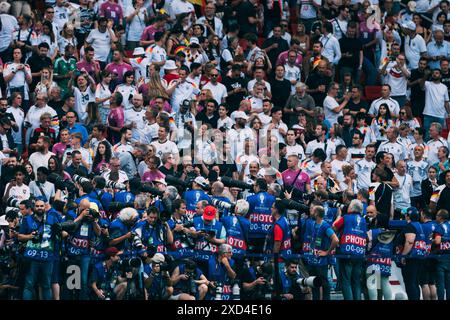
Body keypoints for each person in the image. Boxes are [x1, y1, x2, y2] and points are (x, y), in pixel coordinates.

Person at [332, 199, 367, 300]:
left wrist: (338, 216)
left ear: (351, 208)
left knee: (346, 281)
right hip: (360, 253)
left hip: (346, 253)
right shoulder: (364, 220)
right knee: (356, 281)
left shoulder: (345, 217)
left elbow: (334, 227)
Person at [398, 206, 427, 300]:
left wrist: (403, 256)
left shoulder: (410, 226)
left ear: (408, 216)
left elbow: (410, 242)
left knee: (410, 283)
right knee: (415, 283)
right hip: (419, 257)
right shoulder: (420, 225)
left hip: (411, 259)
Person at [433, 209, 450, 300]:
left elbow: (437, 241)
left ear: (440, 217)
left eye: (437, 216)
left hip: (441, 257)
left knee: (440, 284)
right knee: (449, 284)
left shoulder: (440, 227)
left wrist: (433, 240)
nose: (435, 217)